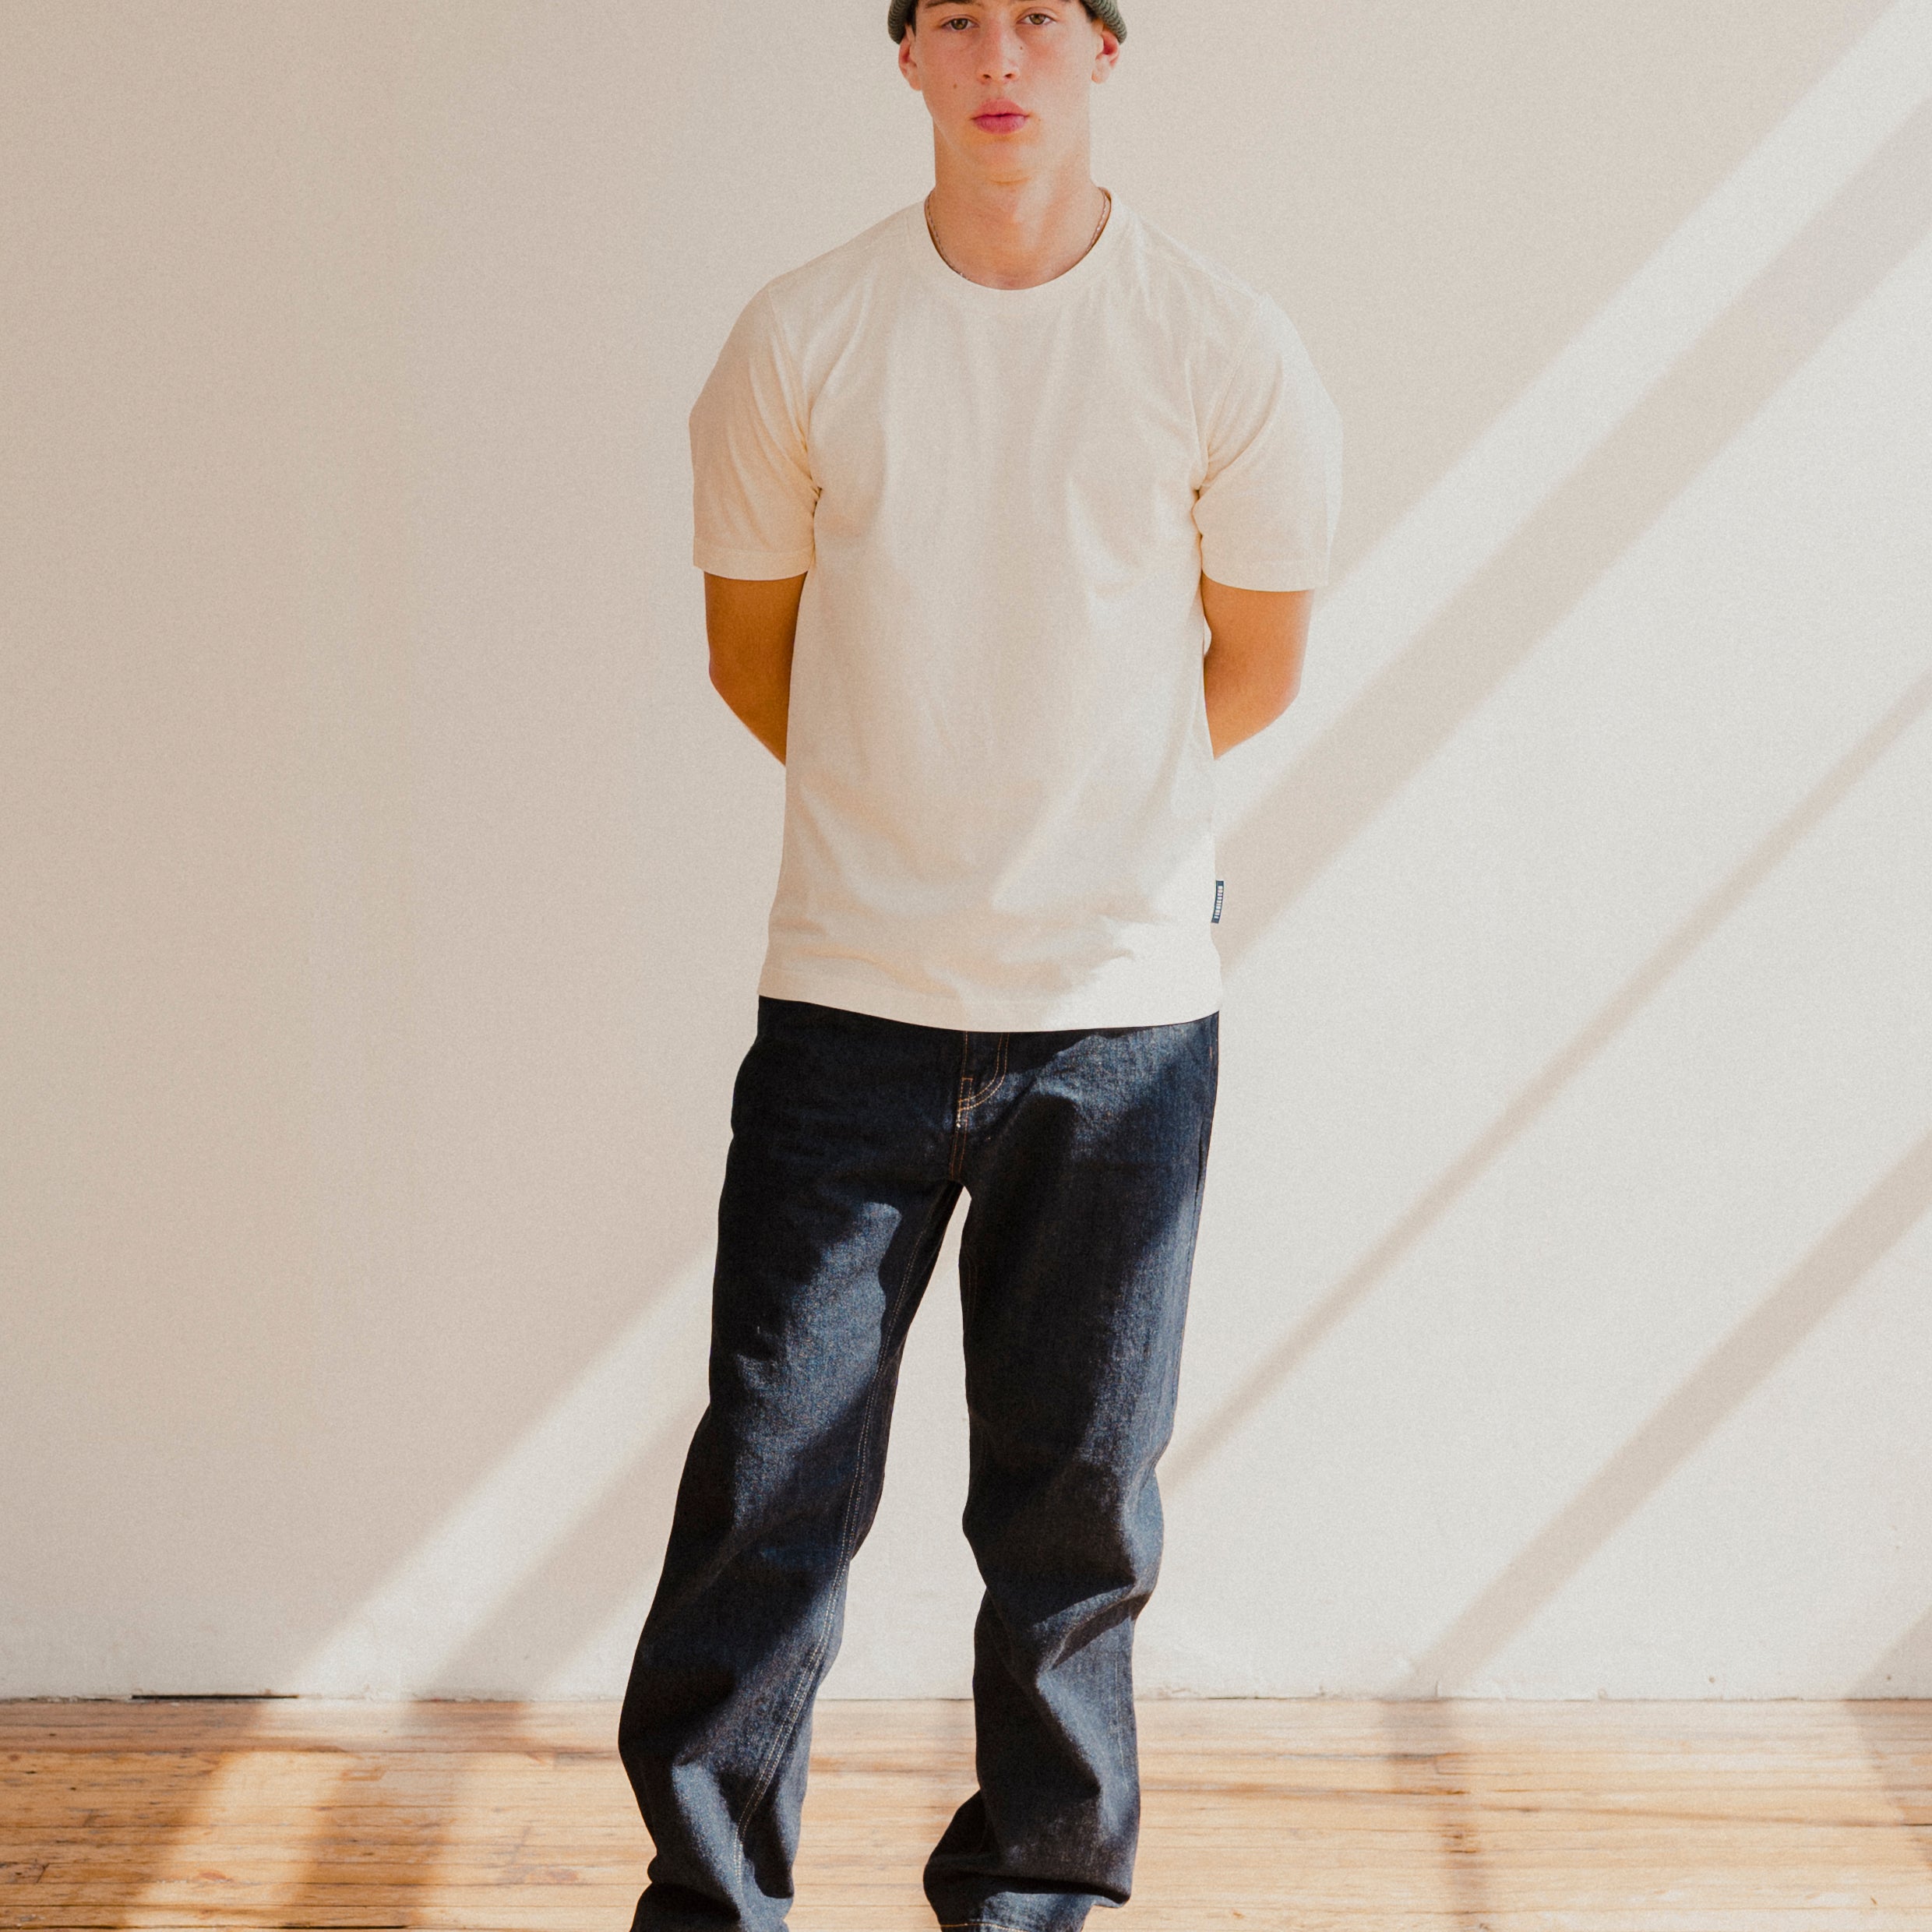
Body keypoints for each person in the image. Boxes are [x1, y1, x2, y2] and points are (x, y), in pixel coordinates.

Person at [618, 2, 1341, 1927]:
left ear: (1104, 50)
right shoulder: (802, 335)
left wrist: (1069, 820)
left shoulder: (1220, 343)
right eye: (956, 19)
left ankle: (1032, 1898)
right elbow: (750, 651)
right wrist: (916, 810)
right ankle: (713, 1899)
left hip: (1119, 1019)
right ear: (909, 60)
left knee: (1076, 1501)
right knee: (770, 1473)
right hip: (849, 1000)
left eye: (1038, 16)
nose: (998, 53)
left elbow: (1256, 664)